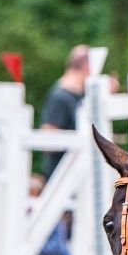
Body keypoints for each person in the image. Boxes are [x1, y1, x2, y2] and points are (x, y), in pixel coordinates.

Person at [40, 45, 91, 178]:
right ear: (86, 67)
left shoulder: (79, 94)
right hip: (60, 179)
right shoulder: (60, 97)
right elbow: (47, 143)